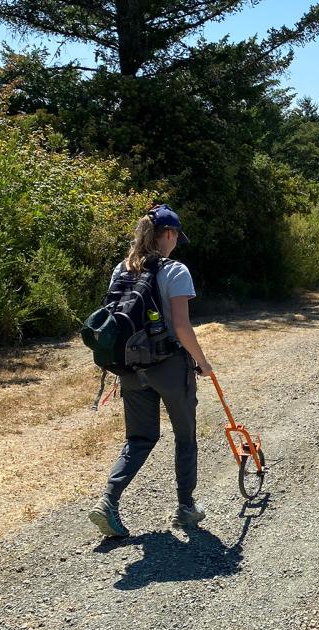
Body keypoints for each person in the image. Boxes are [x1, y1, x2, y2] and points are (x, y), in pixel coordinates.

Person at [89, 204, 214, 538]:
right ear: (169, 234)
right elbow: (182, 327)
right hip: (170, 367)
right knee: (185, 436)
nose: (176, 244)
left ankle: (108, 502)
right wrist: (202, 362)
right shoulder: (176, 271)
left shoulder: (121, 269)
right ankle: (185, 509)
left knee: (139, 438)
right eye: (176, 237)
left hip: (130, 367)